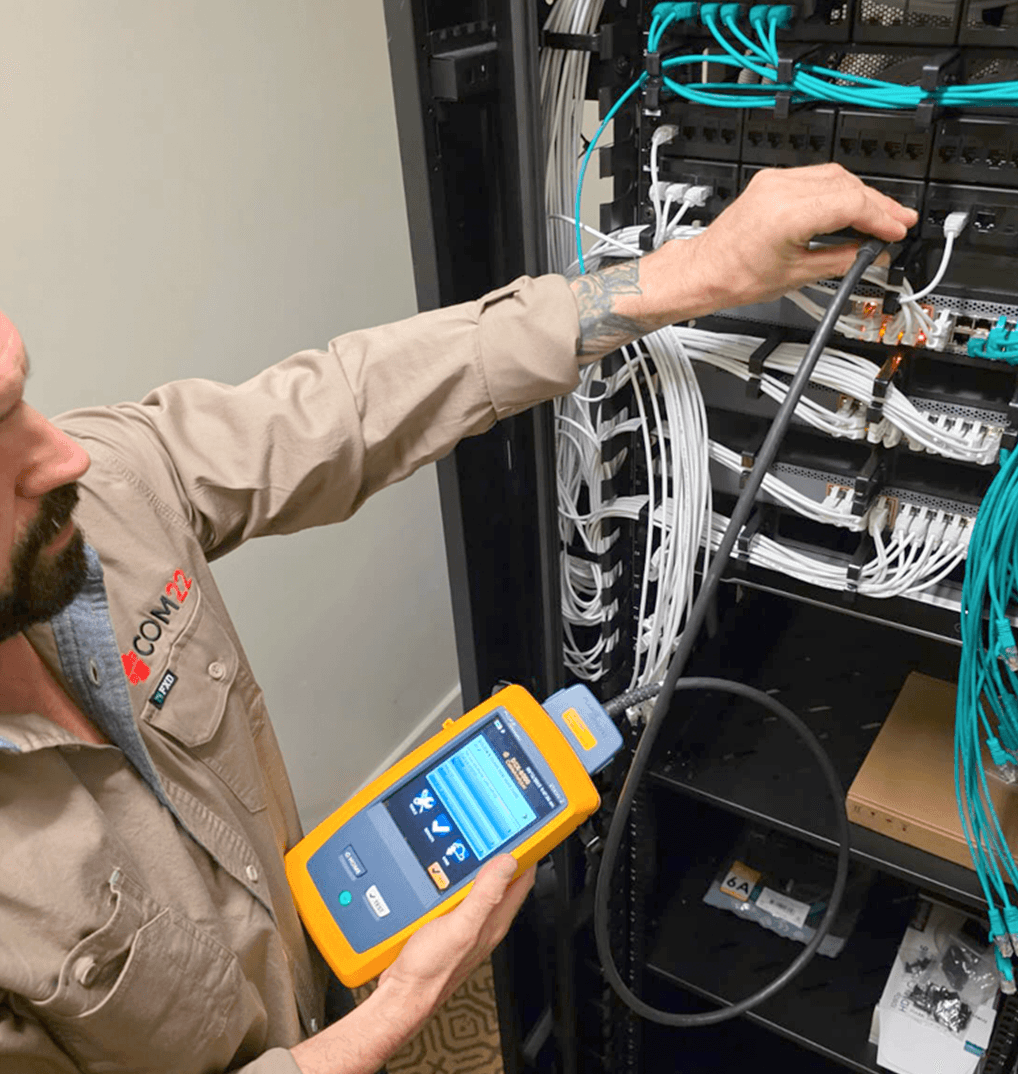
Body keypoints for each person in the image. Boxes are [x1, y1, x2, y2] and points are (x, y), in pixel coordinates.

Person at [0, 163, 917, 1074]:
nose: (61, 457)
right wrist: (399, 1014)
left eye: (21, 399)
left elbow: (348, 402)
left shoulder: (102, 491)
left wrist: (694, 273)